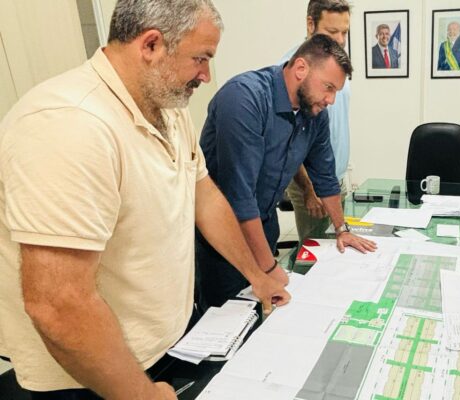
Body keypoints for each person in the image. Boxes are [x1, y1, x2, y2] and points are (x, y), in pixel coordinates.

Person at [0, 0, 290, 398]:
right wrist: (142, 395)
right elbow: (59, 304)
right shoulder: (68, 124)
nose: (206, 75)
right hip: (92, 374)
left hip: (166, 342)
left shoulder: (167, 106)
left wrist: (256, 275)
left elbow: (204, 196)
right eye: (201, 59)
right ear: (151, 45)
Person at [197, 34, 377, 310]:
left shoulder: (314, 113)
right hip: (223, 240)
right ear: (301, 68)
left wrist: (342, 229)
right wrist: (268, 268)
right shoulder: (244, 98)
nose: (330, 100)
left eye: (336, 92)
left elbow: (325, 176)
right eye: (328, 87)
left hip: (263, 225)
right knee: (227, 318)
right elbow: (240, 197)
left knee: (267, 311)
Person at [280, 0, 352, 244]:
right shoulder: (295, 71)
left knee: (339, 245)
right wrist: (309, 189)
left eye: (344, 32)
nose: (340, 40)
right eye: (332, 32)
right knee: (316, 255)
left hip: (333, 178)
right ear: (311, 24)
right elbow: (288, 142)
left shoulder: (336, 65)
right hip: (311, 182)